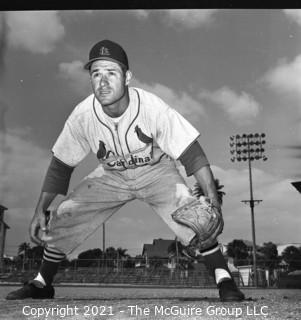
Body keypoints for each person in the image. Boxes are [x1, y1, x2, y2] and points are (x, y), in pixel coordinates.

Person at [6, 40, 244, 301]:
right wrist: (40, 209)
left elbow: (191, 152)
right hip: (111, 176)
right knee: (64, 214)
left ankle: (224, 280)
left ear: (127, 77)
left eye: (111, 72)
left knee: (194, 215)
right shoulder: (82, 115)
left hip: (156, 172)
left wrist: (211, 197)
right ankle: (42, 283)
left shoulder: (152, 108)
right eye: (96, 74)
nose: (103, 81)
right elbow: (61, 165)